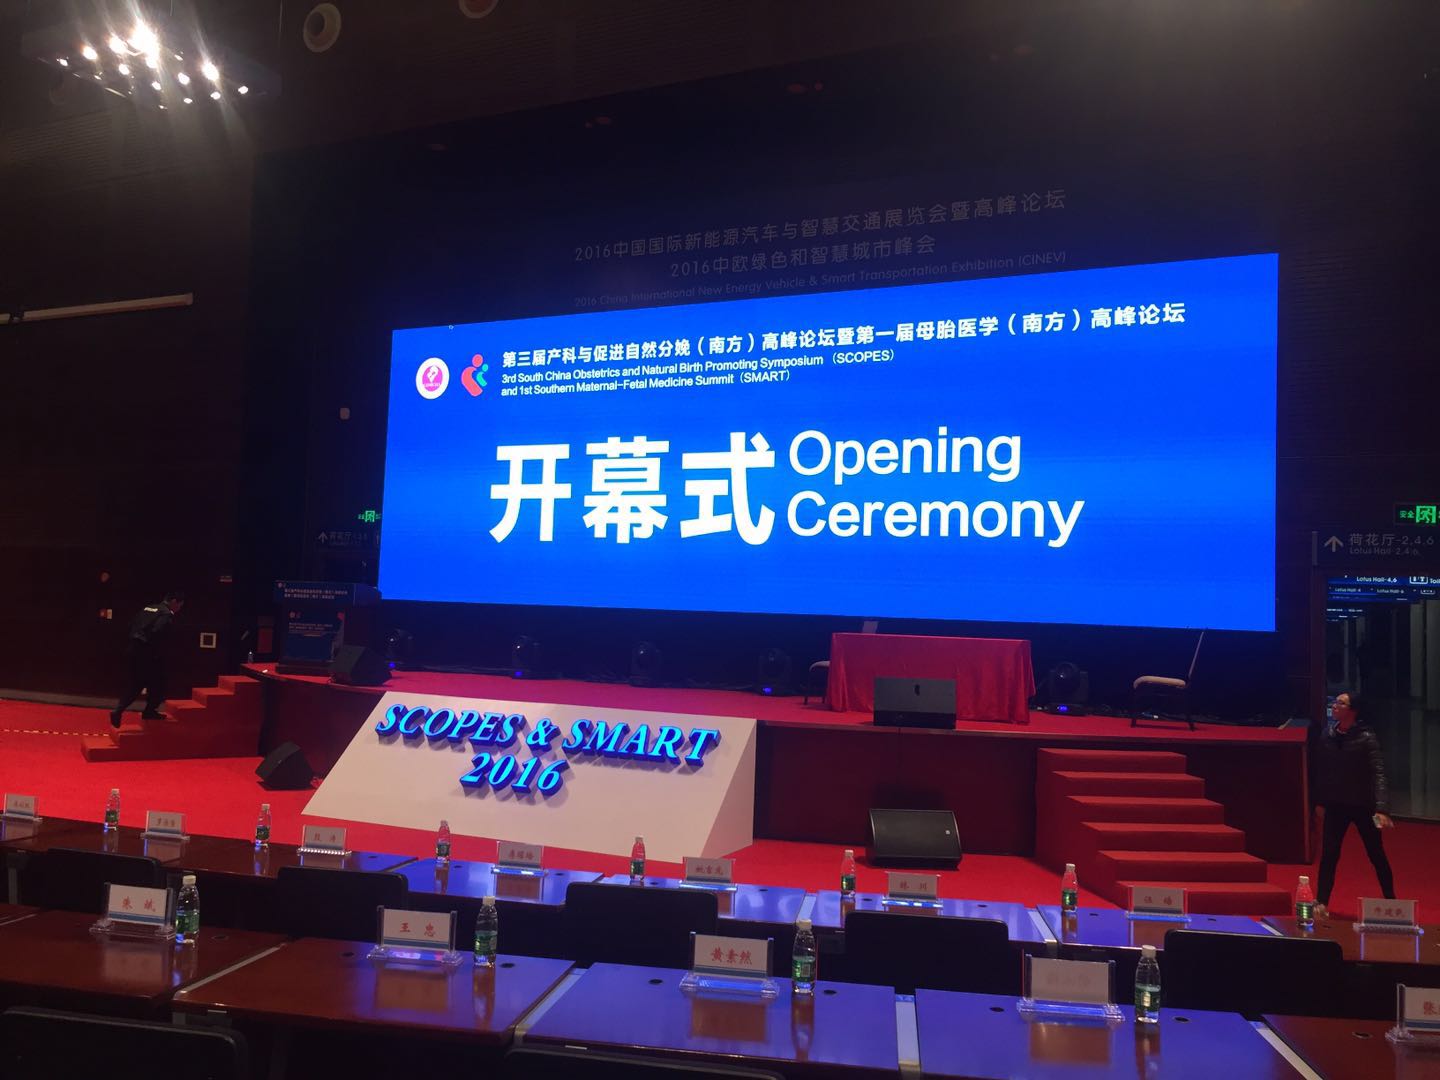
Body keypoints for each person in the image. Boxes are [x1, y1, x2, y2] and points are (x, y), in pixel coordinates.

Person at [1312, 691, 1395, 916]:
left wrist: (1382, 808)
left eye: (1341, 703)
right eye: (1335, 702)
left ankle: (1392, 901)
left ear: (1352, 710)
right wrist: (1319, 801)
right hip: (1336, 804)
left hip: (1363, 806)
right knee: (1329, 854)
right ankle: (1321, 902)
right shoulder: (1328, 735)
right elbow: (1322, 772)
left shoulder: (1367, 737)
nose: (1334, 705)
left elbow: (1378, 773)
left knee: (1376, 853)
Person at [109, 591, 185, 728]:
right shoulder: (166, 614)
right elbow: (157, 632)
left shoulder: (148, 608)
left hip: (133, 649)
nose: (178, 609)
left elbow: (131, 624)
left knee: (136, 684)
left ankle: (119, 710)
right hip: (147, 653)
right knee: (160, 682)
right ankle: (149, 711)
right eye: (179, 606)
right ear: (174, 601)